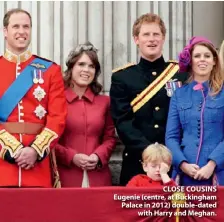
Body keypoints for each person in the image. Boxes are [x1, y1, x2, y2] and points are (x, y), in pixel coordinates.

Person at [110, 13, 188, 185]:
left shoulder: (180, 74)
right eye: (146, 34)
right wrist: (150, 154)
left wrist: (169, 154)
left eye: (156, 34)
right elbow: (122, 121)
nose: (151, 40)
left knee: (175, 211)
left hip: (174, 160)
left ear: (163, 38)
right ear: (136, 39)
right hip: (138, 162)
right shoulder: (122, 77)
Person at [0, 8, 67, 187]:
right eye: (16, 26)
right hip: (2, 167)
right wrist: (11, 149)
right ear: (5, 32)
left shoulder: (51, 70)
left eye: (26, 27)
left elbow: (57, 117)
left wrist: (35, 151)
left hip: (37, 166)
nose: (21, 32)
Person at [55, 42, 116, 187]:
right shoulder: (57, 101)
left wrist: (98, 156)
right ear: (71, 68)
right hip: (65, 177)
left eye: (91, 66)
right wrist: (72, 157)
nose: (86, 70)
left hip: (98, 177)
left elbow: (110, 138)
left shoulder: (105, 102)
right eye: (81, 64)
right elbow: (49, 140)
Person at [165, 36, 224, 186]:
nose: (202, 60)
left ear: (214, 60)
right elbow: (171, 136)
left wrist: (212, 164)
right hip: (184, 174)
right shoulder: (179, 94)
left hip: (218, 173)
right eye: (197, 56)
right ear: (191, 61)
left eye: (207, 56)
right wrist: (183, 164)